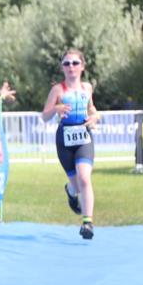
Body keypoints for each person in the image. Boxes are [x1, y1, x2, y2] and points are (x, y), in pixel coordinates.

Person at [41, 49, 100, 240]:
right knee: (76, 184)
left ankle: (87, 223)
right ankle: (71, 191)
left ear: (82, 66)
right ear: (62, 68)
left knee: (84, 178)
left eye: (75, 63)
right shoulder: (58, 90)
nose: (71, 67)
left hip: (84, 136)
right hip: (65, 140)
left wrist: (95, 118)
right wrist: (56, 108)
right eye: (67, 64)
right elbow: (45, 116)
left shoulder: (87, 88)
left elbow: (92, 109)